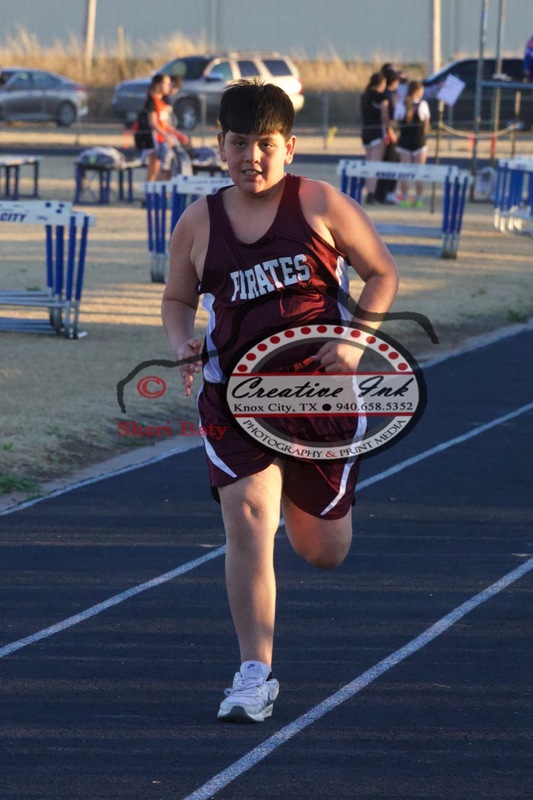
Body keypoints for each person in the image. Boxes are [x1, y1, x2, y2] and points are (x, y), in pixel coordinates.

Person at [161, 80, 399, 723]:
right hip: (234, 398)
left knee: (323, 549)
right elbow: (177, 299)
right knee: (246, 519)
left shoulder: (320, 204)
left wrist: (355, 341)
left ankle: (299, 490)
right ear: (220, 146)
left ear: (289, 148)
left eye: (265, 144)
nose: (252, 158)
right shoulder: (198, 222)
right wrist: (183, 342)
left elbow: (382, 273)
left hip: (319, 400)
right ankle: (254, 673)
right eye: (239, 144)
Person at [143, 73, 189, 181]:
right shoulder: (152, 101)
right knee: (154, 170)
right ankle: (151, 191)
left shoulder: (161, 101)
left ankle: (162, 190)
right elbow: (153, 123)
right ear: (159, 84)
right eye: (166, 83)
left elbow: (165, 124)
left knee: (166, 169)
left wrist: (177, 134)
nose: (169, 86)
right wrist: (166, 136)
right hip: (153, 140)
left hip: (162, 139)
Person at [360, 72, 396, 204]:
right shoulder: (381, 97)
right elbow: (384, 117)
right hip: (377, 133)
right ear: (382, 83)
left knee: (369, 163)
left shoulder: (365, 96)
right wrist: (390, 130)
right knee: (375, 165)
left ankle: (369, 192)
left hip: (366, 132)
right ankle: (371, 194)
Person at [394, 80, 431, 207]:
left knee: (405, 172)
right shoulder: (423, 104)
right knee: (419, 171)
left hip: (404, 142)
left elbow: (396, 123)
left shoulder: (401, 104)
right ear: (418, 91)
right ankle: (419, 199)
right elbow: (426, 125)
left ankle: (405, 199)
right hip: (419, 142)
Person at [375, 67, 401, 205]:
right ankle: (385, 193)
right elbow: (386, 117)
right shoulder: (387, 95)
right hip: (389, 135)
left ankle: (384, 193)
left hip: (391, 133)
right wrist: (390, 132)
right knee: (390, 164)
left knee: (390, 163)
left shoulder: (391, 94)